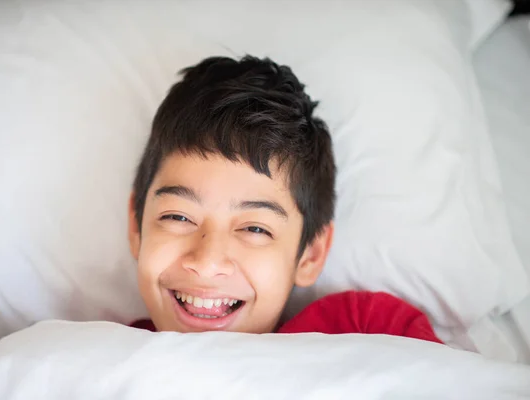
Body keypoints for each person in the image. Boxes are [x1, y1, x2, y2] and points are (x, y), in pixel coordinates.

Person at [127, 55, 442, 344]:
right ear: (137, 226)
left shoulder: (373, 332)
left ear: (310, 255)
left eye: (255, 229)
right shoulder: (102, 355)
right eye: (178, 217)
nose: (208, 263)